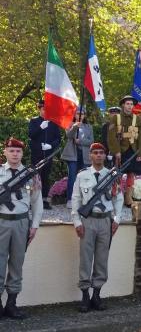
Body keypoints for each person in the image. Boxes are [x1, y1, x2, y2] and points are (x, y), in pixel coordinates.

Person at [71, 143, 123, 313]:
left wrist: (117, 219)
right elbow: (76, 200)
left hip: (105, 221)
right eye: (95, 153)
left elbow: (119, 199)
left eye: (102, 153)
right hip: (88, 221)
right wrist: (77, 222)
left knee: (102, 258)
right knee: (85, 258)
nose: (99, 155)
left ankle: (97, 295)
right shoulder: (82, 176)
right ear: (90, 156)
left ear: (105, 156)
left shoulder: (112, 175)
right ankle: (85, 295)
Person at [0, 137, 43, 319]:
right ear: (5, 153)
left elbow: (37, 203)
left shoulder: (31, 175)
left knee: (17, 263)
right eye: (11, 150)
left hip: (21, 223)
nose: (15, 154)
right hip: (1, 221)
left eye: (18, 151)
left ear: (22, 153)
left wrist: (34, 226)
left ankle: (12, 304)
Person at [107, 95, 141, 207]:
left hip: (132, 151)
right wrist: (116, 151)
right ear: (123, 105)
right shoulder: (116, 118)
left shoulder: (137, 119)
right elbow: (111, 136)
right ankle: (115, 195)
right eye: (127, 104)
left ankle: (128, 198)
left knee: (131, 173)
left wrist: (140, 153)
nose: (129, 106)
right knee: (116, 174)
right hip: (120, 150)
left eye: (131, 104)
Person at [28, 99, 61, 209]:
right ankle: (33, 200)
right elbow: (31, 135)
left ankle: (44, 200)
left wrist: (51, 146)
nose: (45, 111)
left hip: (48, 154)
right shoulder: (34, 121)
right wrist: (40, 128)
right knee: (35, 177)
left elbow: (58, 138)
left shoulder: (54, 123)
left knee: (45, 177)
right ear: (39, 109)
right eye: (43, 109)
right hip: (36, 153)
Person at [61, 107, 94, 209]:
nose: (80, 116)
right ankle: (70, 199)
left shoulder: (88, 127)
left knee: (84, 178)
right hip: (72, 155)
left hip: (84, 155)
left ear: (84, 115)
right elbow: (69, 135)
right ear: (74, 115)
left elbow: (91, 141)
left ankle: (84, 198)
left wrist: (81, 142)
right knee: (72, 177)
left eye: (82, 114)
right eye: (78, 113)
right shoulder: (70, 124)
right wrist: (75, 126)